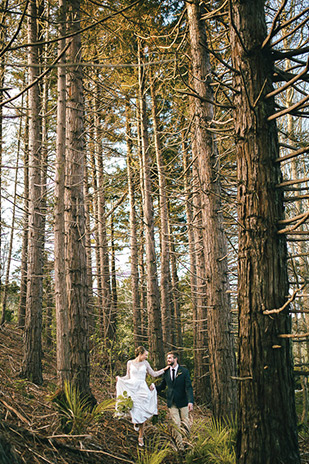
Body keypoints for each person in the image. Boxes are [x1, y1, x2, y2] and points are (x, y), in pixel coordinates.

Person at [116, 346, 168, 447]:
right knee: (134, 408)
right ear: (140, 354)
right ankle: (135, 421)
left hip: (142, 389)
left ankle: (141, 436)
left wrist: (164, 370)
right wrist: (120, 378)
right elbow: (128, 376)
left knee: (143, 410)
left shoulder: (146, 363)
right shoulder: (130, 363)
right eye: (145, 355)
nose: (146, 357)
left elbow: (153, 374)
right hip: (132, 387)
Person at [156, 351, 194, 450]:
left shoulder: (184, 371)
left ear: (175, 359)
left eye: (170, 358)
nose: (168, 360)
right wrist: (152, 388)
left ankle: (188, 442)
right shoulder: (166, 372)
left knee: (185, 423)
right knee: (176, 423)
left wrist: (190, 401)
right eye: (167, 358)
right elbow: (162, 386)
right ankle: (180, 447)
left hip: (183, 401)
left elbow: (188, 387)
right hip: (171, 402)